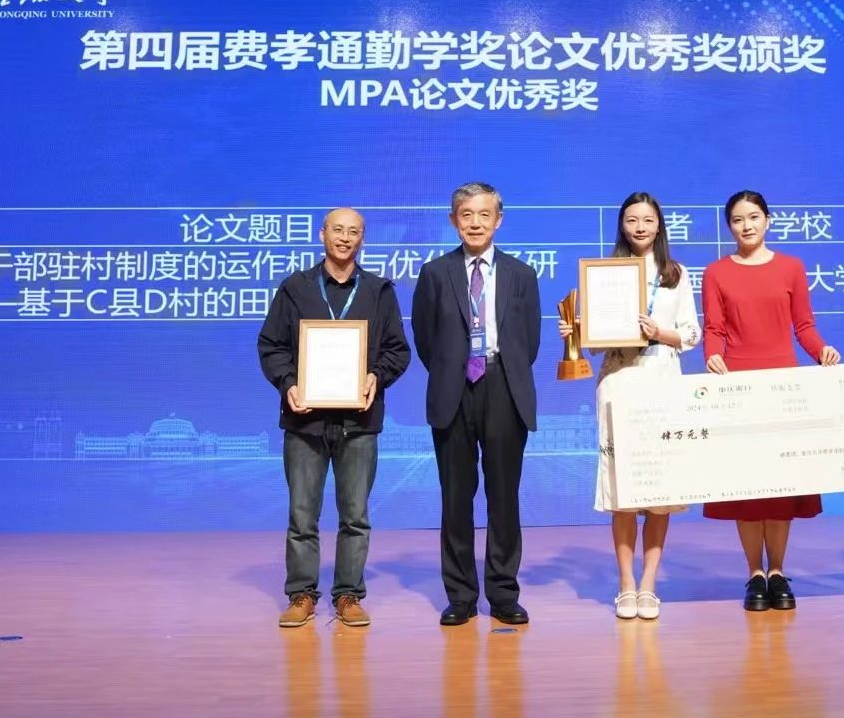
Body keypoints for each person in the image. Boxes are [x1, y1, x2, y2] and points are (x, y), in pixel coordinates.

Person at [258, 208, 411, 627]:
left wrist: (376, 376)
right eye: (338, 230)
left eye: (354, 232)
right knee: (301, 516)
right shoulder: (295, 288)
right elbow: (271, 345)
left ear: (362, 239)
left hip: (359, 422)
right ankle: (301, 594)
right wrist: (289, 383)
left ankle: (348, 594)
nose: (345, 238)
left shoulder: (379, 291)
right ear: (322, 234)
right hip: (304, 422)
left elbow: (398, 350)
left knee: (355, 516)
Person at [559, 192, 701, 620]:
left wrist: (659, 332)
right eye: (632, 220)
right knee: (622, 491)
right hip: (618, 384)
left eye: (648, 220)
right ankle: (625, 585)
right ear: (622, 226)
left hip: (661, 382)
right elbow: (595, 345)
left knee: (659, 492)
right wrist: (576, 333)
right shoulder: (606, 275)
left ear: (660, 225)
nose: (640, 227)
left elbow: (691, 334)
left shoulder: (676, 274)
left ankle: (649, 585)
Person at [701, 190, 840, 611]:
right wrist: (712, 355)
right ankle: (754, 574)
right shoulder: (716, 272)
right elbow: (714, 329)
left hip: (784, 386)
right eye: (738, 219)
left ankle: (777, 571)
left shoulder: (791, 267)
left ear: (768, 220)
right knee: (747, 487)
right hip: (738, 387)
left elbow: (804, 325)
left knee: (781, 487)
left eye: (754, 217)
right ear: (729, 226)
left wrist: (821, 351)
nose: (746, 225)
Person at [412, 182, 542, 626]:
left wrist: (496, 369)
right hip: (453, 390)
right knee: (456, 498)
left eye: (484, 214)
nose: (475, 223)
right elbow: (426, 339)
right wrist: (455, 367)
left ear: (498, 220)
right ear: (454, 220)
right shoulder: (435, 273)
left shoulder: (521, 274)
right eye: (466, 214)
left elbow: (529, 343)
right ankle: (461, 596)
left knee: (504, 496)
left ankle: (503, 593)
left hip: (504, 387)